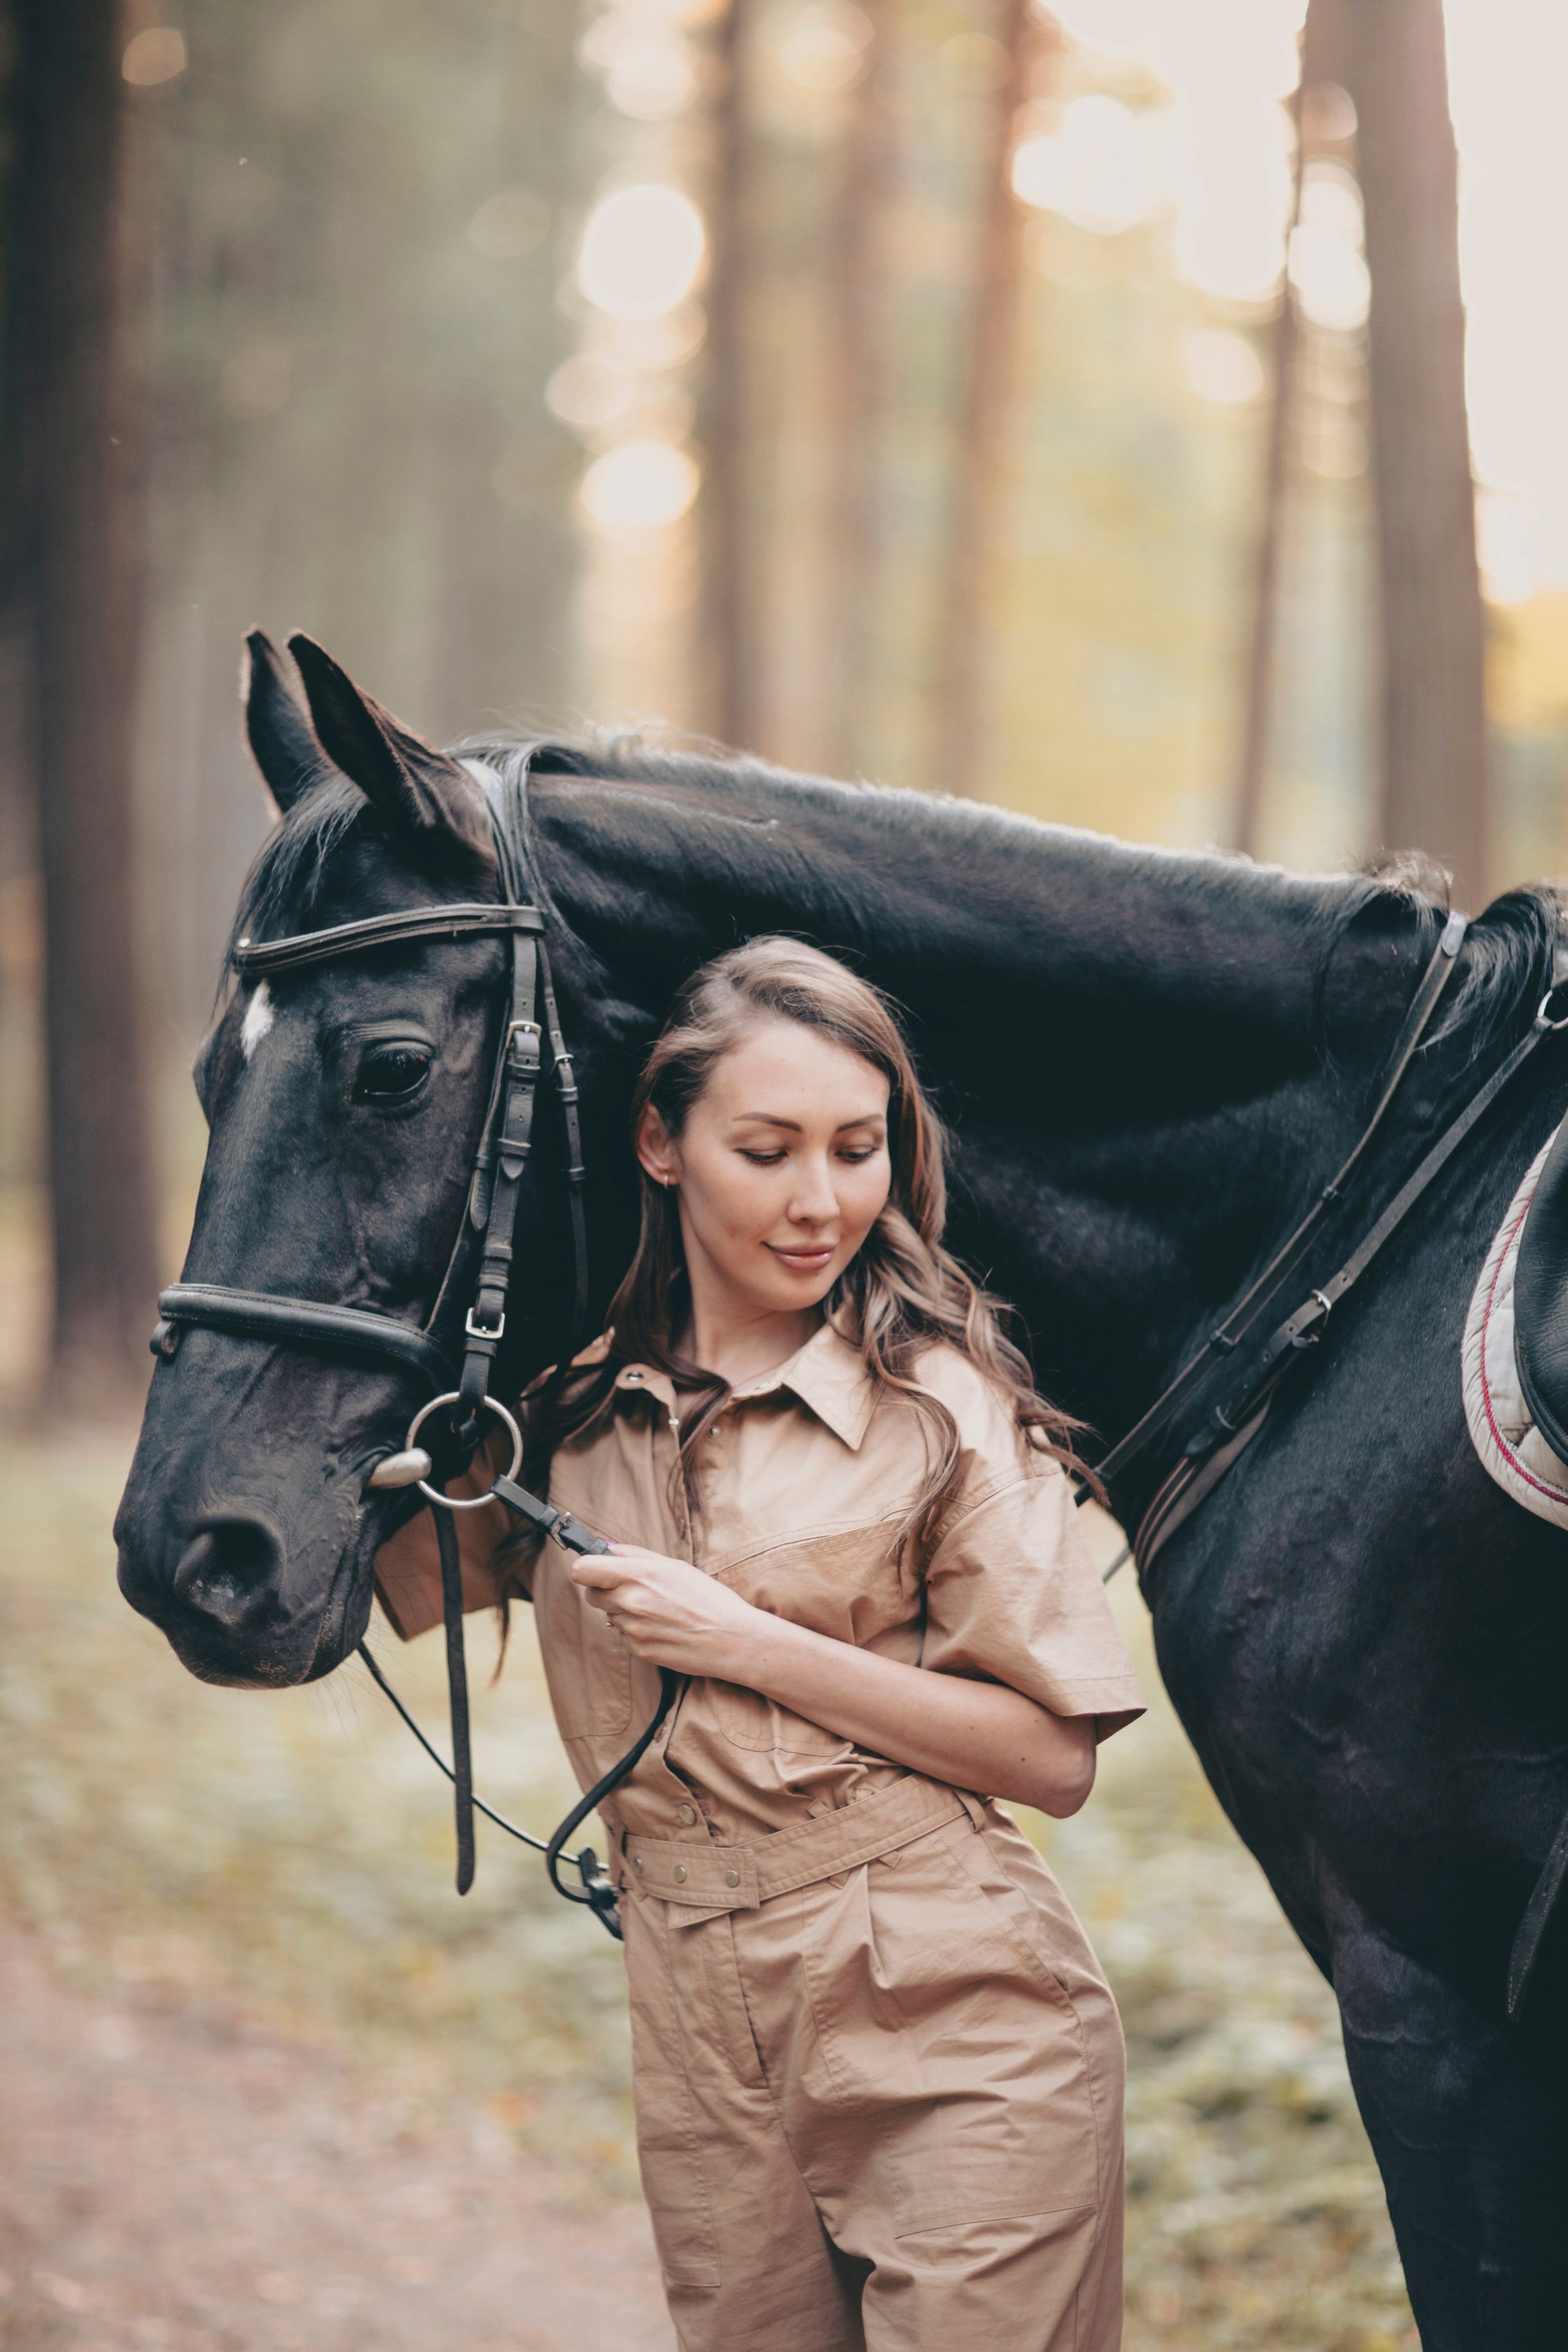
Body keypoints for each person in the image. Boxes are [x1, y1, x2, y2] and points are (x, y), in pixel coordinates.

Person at [373, 937, 1145, 2352]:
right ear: (660, 1145)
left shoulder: (938, 1405)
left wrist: (748, 1642)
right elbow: (317, 1593)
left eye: (857, 1150)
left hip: (952, 2009)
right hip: (689, 2017)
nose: (818, 1201)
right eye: (768, 1148)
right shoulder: (562, 1414)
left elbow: (1051, 1759)